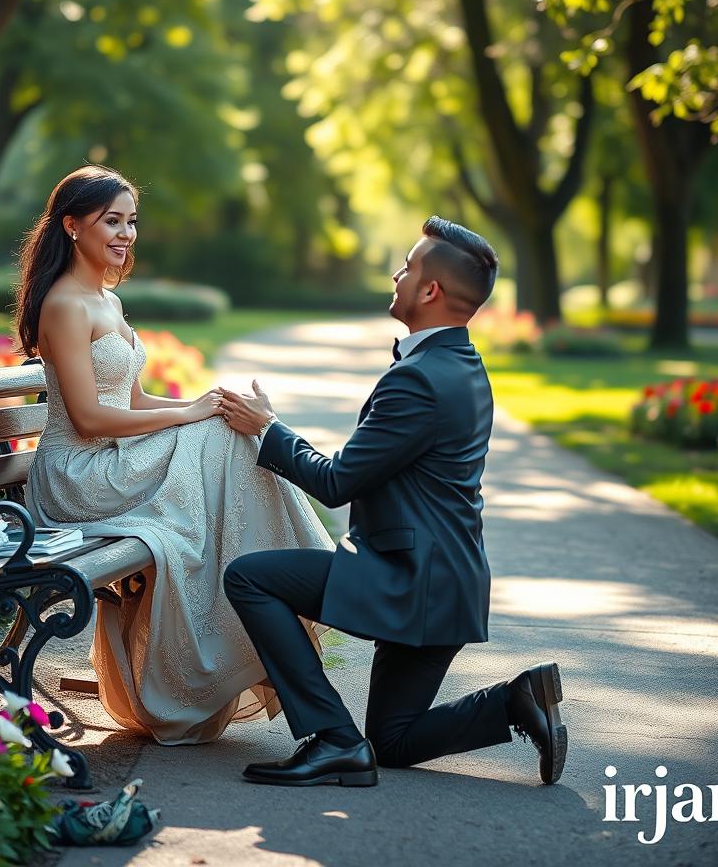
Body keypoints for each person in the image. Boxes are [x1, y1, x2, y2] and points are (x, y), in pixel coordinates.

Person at [218, 217, 566, 787]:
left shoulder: (421, 379)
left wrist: (269, 428)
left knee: (251, 578)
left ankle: (330, 737)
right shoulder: (461, 363)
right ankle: (516, 701)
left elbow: (337, 483)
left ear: (430, 291)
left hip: (409, 580)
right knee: (393, 741)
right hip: (449, 585)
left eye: (407, 267)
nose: (397, 275)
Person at [15, 165, 332, 745]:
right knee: (219, 438)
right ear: (72, 226)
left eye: (131, 221)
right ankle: (315, 574)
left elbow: (131, 398)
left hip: (113, 459)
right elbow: (88, 417)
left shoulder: (104, 300)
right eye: (112, 221)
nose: (126, 234)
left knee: (228, 428)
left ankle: (281, 591)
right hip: (77, 475)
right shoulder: (65, 305)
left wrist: (199, 406)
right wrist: (188, 416)